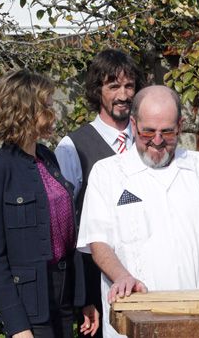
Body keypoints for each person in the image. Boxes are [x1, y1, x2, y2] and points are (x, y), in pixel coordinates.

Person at [76, 85, 199, 338]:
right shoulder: (107, 174)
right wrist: (122, 275)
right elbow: (98, 241)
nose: (157, 141)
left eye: (167, 132)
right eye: (148, 131)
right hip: (134, 319)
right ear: (134, 124)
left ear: (180, 126)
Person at [0, 70, 98, 338]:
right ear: (24, 110)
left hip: (64, 295)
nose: (52, 112)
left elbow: (69, 235)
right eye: (46, 106)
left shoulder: (48, 158)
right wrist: (16, 325)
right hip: (29, 304)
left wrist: (84, 299)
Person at [55, 49, 144, 336]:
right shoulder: (72, 147)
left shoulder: (148, 142)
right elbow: (68, 227)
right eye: (113, 86)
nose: (123, 95)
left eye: (129, 86)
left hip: (148, 276)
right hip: (98, 282)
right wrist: (83, 296)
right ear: (98, 90)